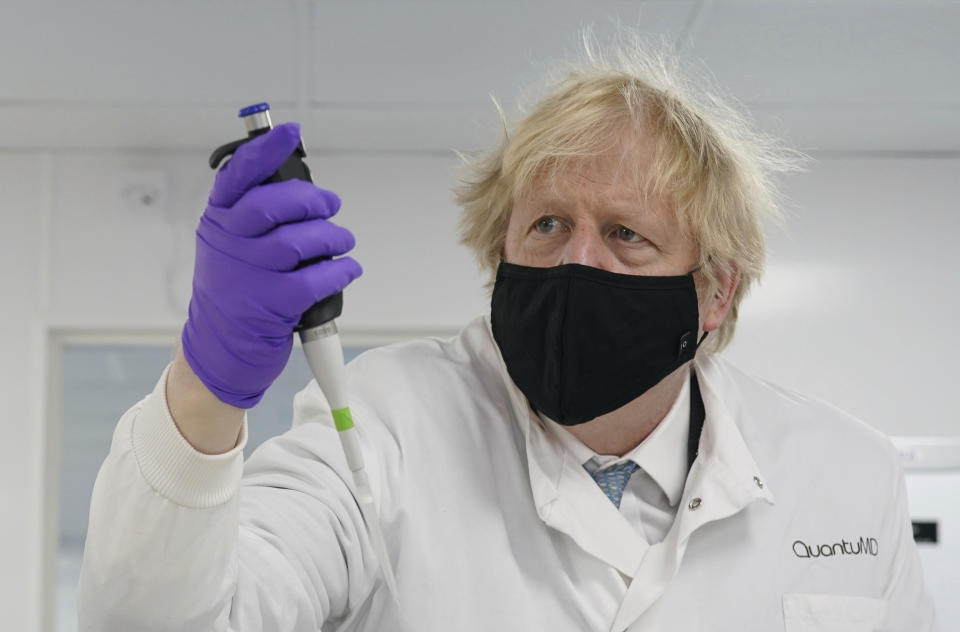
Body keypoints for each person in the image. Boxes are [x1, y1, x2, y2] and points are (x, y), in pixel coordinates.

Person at [77, 40, 937, 631]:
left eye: (626, 235)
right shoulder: (382, 426)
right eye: (549, 227)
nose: (576, 264)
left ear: (712, 293)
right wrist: (206, 387)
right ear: (500, 252)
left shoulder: (845, 476)